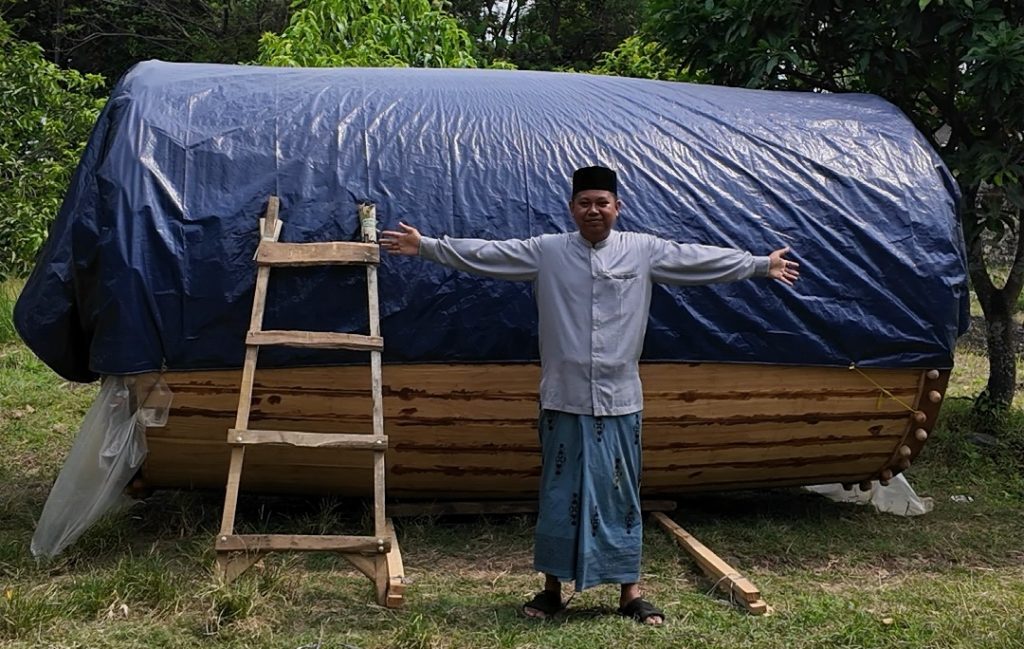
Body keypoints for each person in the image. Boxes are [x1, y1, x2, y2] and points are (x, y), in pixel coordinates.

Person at [380, 165, 799, 626]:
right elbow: (489, 254)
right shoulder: (547, 252)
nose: (593, 210)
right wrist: (426, 246)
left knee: (621, 495)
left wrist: (759, 264)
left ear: (618, 207)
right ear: (571, 209)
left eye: (602, 202)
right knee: (559, 494)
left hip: (620, 400)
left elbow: (697, 261)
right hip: (563, 398)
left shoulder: (643, 250)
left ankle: (630, 593)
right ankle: (551, 591)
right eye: (585, 203)